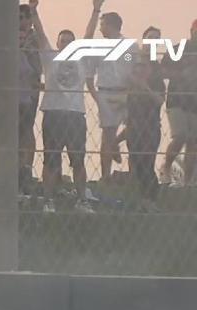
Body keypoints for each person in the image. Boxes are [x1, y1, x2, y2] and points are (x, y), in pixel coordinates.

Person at [28, 0, 93, 213]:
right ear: (58, 44)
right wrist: (33, 10)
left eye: (70, 41)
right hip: (54, 115)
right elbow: (40, 33)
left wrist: (96, 9)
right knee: (51, 160)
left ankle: (82, 200)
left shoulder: (81, 60)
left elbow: (89, 35)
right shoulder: (50, 57)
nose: (66, 44)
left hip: (75, 115)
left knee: (78, 161)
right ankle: (48, 200)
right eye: (63, 41)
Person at [84, 0, 130, 183]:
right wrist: (97, 98)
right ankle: (105, 175)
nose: (100, 28)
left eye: (102, 24)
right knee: (107, 134)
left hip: (126, 92)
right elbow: (89, 75)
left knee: (134, 127)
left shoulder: (128, 46)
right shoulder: (97, 48)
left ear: (111, 25)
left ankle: (116, 144)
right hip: (105, 92)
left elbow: (133, 65)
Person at [118, 54, 166, 207]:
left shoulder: (156, 83)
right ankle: (144, 199)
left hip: (151, 129)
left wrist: (145, 87)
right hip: (134, 130)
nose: (140, 68)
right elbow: (127, 108)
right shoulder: (130, 88)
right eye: (137, 65)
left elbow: (159, 101)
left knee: (147, 164)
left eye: (143, 65)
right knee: (137, 164)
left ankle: (151, 199)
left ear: (150, 68)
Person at [162, 20, 197, 186]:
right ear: (191, 30)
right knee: (180, 136)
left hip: (195, 102)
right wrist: (182, 73)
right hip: (177, 100)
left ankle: (188, 181)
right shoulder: (178, 49)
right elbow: (163, 70)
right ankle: (167, 169)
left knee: (193, 142)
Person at [18, 3, 43, 194]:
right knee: (14, 129)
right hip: (12, 90)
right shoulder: (9, 36)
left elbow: (38, 63)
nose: (22, 21)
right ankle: (15, 166)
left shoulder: (36, 38)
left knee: (27, 127)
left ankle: (27, 166)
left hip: (31, 88)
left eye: (25, 17)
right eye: (19, 17)